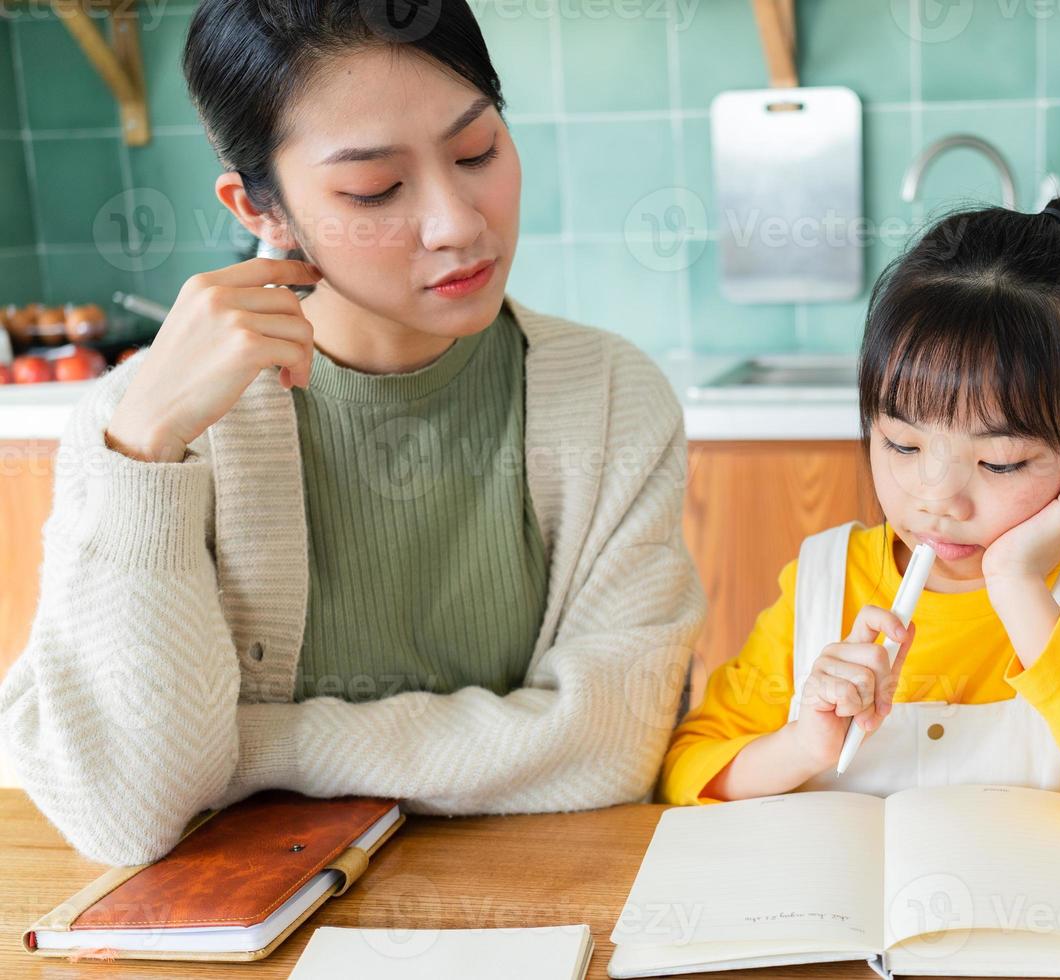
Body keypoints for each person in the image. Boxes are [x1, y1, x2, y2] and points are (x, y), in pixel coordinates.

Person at [0, 0, 704, 866]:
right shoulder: (142, 432)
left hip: (541, 905)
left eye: (477, 148)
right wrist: (143, 451)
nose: (457, 222)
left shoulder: (610, 398)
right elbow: (127, 813)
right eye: (375, 189)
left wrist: (243, 752)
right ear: (263, 211)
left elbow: (608, 746)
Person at [660, 198, 1060, 808]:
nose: (936, 498)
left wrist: (1021, 589)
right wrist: (804, 745)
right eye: (901, 444)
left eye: (999, 462)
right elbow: (687, 772)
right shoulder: (826, 582)